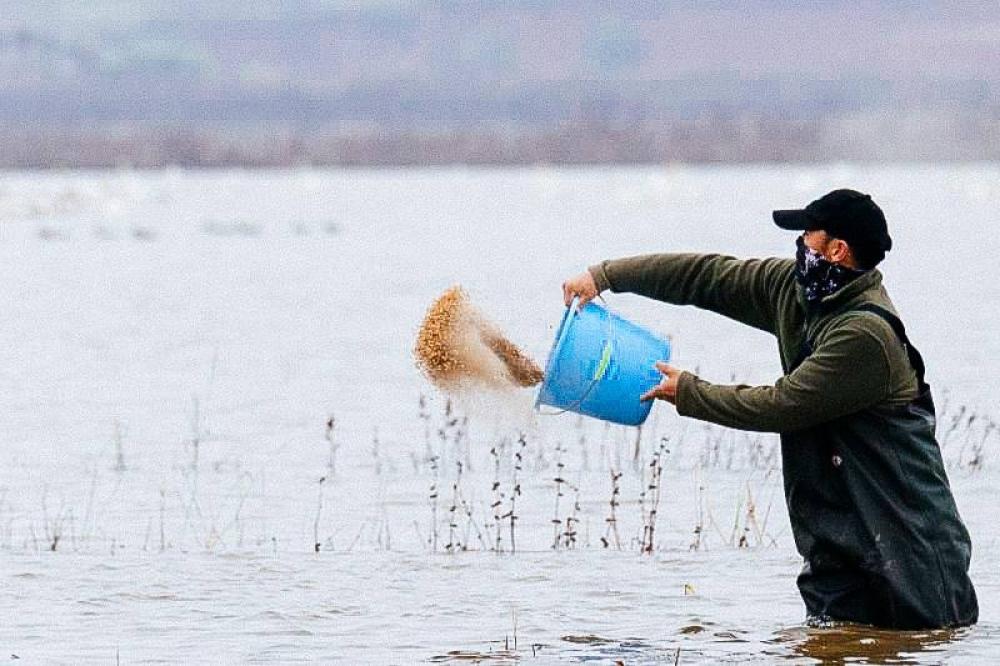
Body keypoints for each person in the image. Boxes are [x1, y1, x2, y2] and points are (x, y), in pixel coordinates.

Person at [561, 189, 978, 630]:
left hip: (912, 554)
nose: (799, 245)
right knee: (834, 646)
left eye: (807, 237)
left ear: (837, 250)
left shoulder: (865, 335)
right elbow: (706, 277)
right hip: (840, 549)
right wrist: (605, 276)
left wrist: (689, 392)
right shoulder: (793, 290)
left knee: (913, 650)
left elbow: (785, 405)